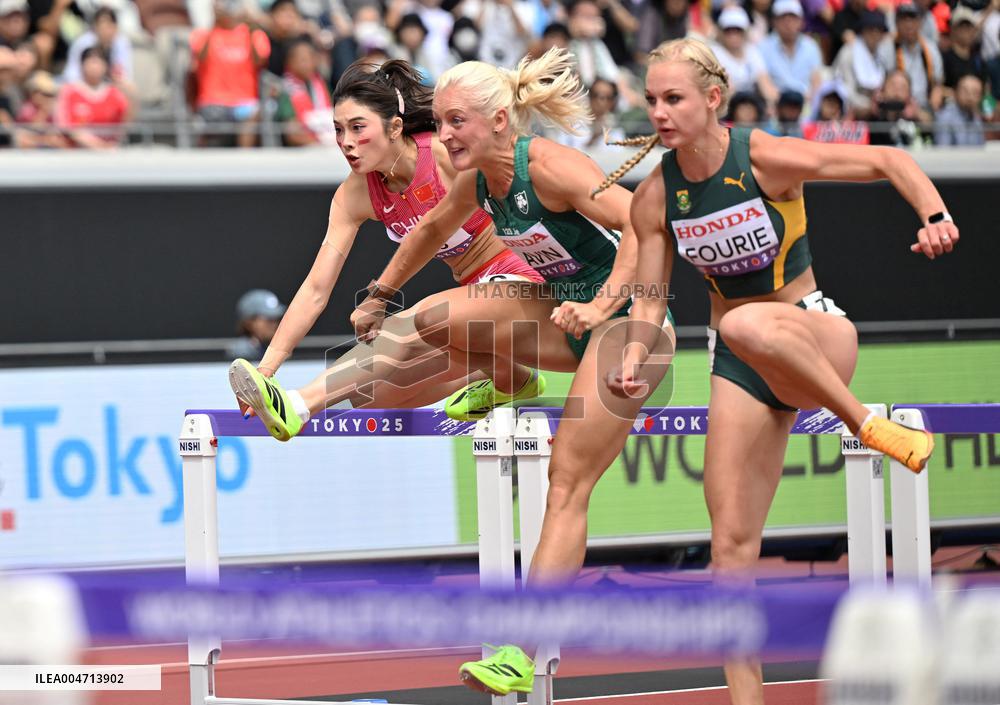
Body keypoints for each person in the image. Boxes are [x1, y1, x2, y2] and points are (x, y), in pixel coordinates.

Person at [596, 37, 958, 705]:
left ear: (712, 99)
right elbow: (648, 303)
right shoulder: (654, 199)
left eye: (673, 97)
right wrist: (632, 352)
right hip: (743, 365)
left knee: (739, 320)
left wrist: (933, 213)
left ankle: (865, 423)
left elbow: (887, 155)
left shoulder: (761, 158)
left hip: (815, 334)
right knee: (730, 550)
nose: (660, 111)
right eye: (651, 99)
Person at [346, 47, 674, 695]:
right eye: (438, 122)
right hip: (559, 315)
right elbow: (432, 229)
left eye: (456, 122)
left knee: (565, 480)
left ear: (500, 122)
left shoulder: (551, 167)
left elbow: (646, 222)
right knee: (437, 317)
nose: (443, 137)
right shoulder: (474, 180)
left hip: (631, 323)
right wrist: (381, 293)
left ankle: (520, 651)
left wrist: (606, 304)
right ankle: (510, 377)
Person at [229, 59, 546, 440]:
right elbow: (316, 289)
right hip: (475, 304)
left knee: (407, 325)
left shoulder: (444, 156)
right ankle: (512, 378)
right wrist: (266, 370)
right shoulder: (355, 194)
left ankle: (298, 405)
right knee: (371, 394)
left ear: (395, 127)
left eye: (358, 127)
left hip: (523, 281)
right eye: (338, 129)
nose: (346, 141)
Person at [228, 289, 287, 361]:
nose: (274, 324)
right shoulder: (241, 351)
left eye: (276, 319)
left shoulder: (274, 346)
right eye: (269, 319)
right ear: (249, 322)